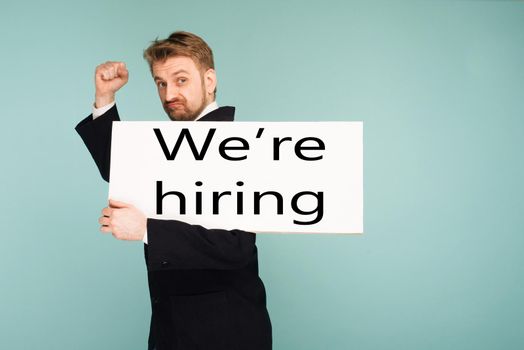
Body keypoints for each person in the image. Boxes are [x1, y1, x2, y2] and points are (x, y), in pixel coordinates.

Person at [75, 31, 272, 350]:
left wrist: (147, 229)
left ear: (209, 80)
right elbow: (121, 173)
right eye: (160, 83)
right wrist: (105, 99)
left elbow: (236, 245)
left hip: (224, 334)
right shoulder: (176, 143)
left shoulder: (240, 147)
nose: (168, 95)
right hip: (171, 328)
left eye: (181, 80)